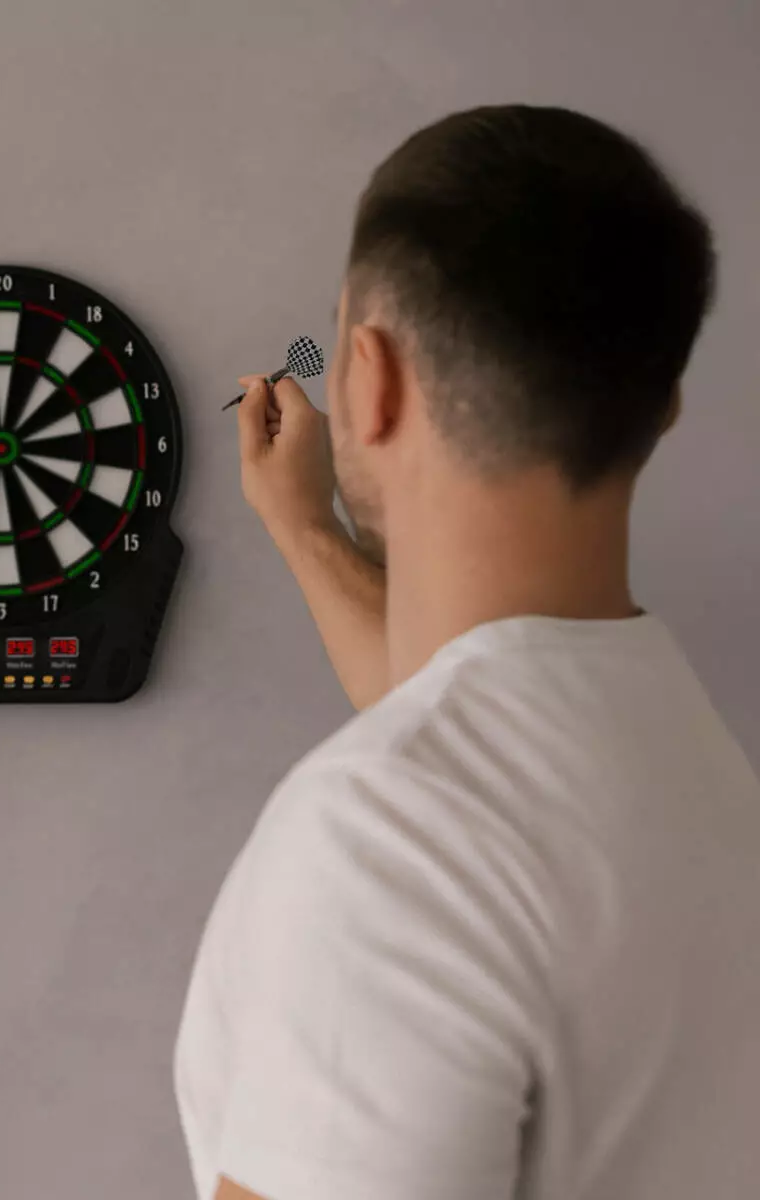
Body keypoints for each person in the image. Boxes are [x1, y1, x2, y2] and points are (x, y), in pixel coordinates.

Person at [173, 103, 760, 1200]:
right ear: (664, 405)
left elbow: (447, 790)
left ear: (371, 379)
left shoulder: (383, 843)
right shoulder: (689, 768)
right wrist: (304, 531)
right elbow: (473, 727)